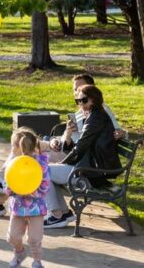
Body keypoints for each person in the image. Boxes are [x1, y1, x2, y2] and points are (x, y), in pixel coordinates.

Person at [0, 73, 126, 218]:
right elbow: (77, 140)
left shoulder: (99, 114)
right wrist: (60, 138)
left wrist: (122, 133)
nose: (79, 98)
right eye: (76, 94)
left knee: (31, 160)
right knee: (21, 141)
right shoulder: (85, 112)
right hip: (65, 148)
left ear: (92, 93)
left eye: (82, 95)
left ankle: (1, 191)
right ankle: (2, 187)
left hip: (76, 160)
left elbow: (106, 134)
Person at [43, 84, 121, 229]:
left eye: (84, 100)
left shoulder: (96, 118)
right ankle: (62, 213)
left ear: (94, 99)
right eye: (78, 101)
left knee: (41, 172)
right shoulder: (93, 116)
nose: (81, 104)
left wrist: (63, 162)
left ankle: (57, 215)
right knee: (44, 172)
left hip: (92, 173)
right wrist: (68, 137)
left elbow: (81, 146)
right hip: (89, 168)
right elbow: (81, 146)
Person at [5, 127, 49, 268]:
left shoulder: (40, 164)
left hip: (36, 208)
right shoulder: (13, 163)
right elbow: (7, 183)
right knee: (12, 237)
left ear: (20, 147)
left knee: (34, 238)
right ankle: (19, 253)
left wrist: (30, 192)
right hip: (18, 206)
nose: (11, 150)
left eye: (13, 146)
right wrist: (11, 190)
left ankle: (37, 261)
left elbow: (45, 186)